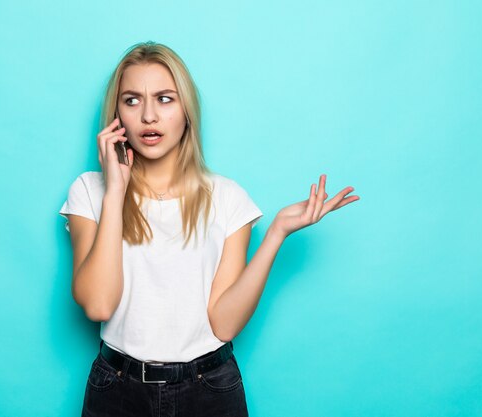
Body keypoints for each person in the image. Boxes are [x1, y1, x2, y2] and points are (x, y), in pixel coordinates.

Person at [59, 41, 359, 417]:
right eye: (132, 100)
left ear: (186, 110)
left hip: (208, 390)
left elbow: (224, 322)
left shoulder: (227, 197)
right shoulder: (91, 190)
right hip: (117, 390)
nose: (149, 115)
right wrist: (116, 190)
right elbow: (99, 303)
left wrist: (277, 232)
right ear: (116, 114)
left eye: (165, 99)